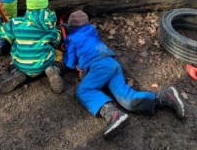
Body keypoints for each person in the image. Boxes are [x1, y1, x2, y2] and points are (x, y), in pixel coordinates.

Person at [63, 10, 185, 138]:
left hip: (99, 66)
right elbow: (86, 41)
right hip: (112, 63)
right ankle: (164, 96)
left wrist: (72, 62)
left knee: (84, 90)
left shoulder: (71, 38)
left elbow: (69, 62)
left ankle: (113, 115)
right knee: (127, 99)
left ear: (71, 28)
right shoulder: (92, 30)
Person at [0, 0, 64, 94]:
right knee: (59, 54)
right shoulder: (49, 26)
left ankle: (16, 73)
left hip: (21, 64)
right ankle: (54, 69)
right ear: (46, 6)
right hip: (43, 64)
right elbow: (56, 43)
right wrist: (57, 32)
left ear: (28, 7)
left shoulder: (15, 23)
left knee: (13, 60)